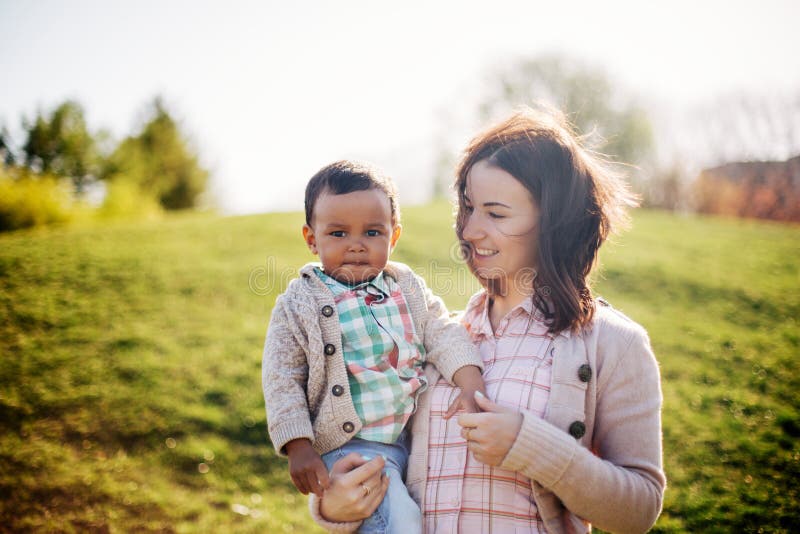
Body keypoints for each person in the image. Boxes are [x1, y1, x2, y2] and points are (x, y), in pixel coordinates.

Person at [310, 107, 666, 533]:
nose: (471, 230)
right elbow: (382, 459)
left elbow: (640, 509)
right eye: (468, 207)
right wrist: (336, 507)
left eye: (495, 214)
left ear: (553, 222)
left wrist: (528, 445)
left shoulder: (613, 343)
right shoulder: (430, 334)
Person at [262, 160, 486, 534]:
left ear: (393, 236)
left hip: (404, 444)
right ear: (311, 238)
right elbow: (281, 375)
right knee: (401, 522)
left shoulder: (405, 287)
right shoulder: (299, 302)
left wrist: (470, 380)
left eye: (371, 232)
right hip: (351, 448)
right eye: (337, 233)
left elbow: (442, 330)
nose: (355, 245)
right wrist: (297, 445)